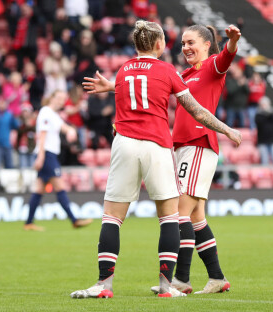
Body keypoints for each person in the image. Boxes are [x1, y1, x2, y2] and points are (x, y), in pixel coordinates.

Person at [72, 20, 241, 299]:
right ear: (160, 44)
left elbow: (224, 57)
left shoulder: (125, 69)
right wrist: (227, 129)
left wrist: (113, 86)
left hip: (136, 143)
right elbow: (185, 105)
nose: (184, 46)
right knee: (175, 217)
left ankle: (105, 284)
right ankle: (175, 283)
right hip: (160, 145)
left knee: (113, 217)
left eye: (190, 42)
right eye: (181, 42)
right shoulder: (172, 71)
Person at [24, 90, 93, 231]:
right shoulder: (46, 112)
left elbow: (64, 127)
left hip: (49, 154)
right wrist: (41, 156)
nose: (62, 101)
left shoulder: (53, 115)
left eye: (64, 99)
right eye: (59, 98)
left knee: (39, 189)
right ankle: (74, 220)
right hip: (47, 154)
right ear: (52, 97)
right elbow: (42, 135)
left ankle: (29, 223)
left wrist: (70, 131)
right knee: (60, 186)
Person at [255, 96, 273, 165]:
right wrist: (266, 114)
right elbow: (260, 122)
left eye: (265, 104)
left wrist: (268, 113)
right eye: (262, 105)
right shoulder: (258, 115)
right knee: (264, 161)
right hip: (262, 141)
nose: (264, 106)